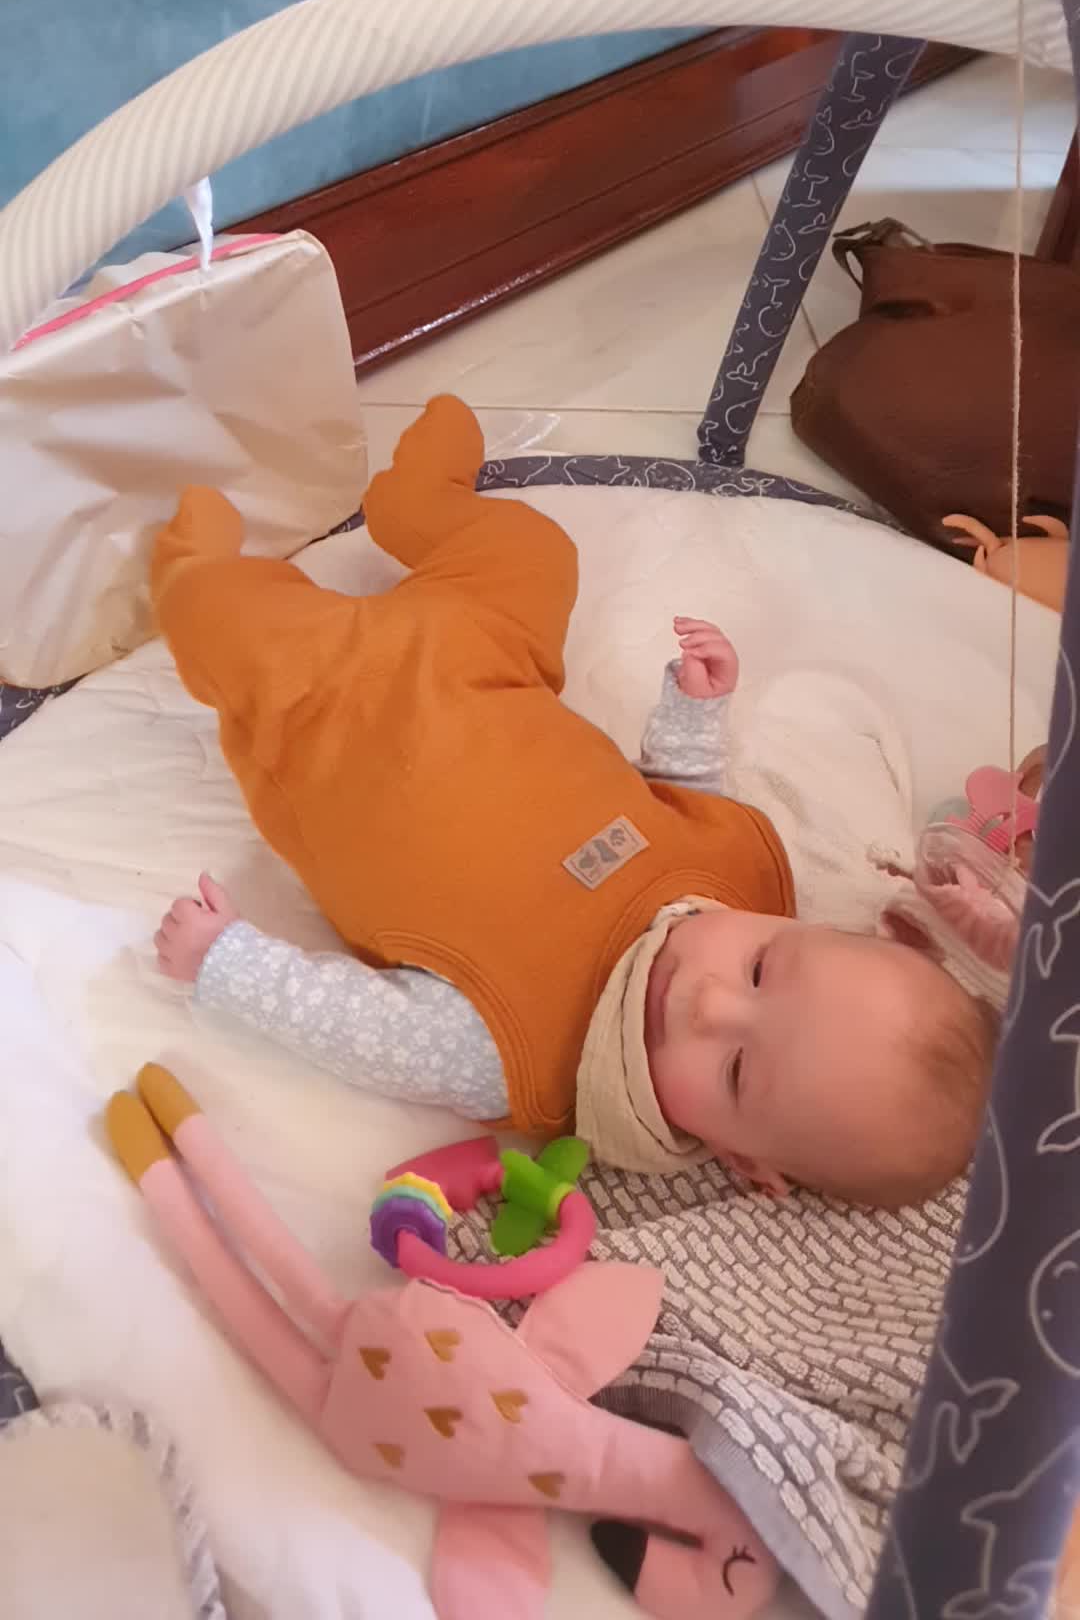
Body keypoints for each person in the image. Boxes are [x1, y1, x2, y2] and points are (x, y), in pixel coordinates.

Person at [150, 396, 996, 1209]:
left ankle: (193, 569)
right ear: (809, 930)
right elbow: (679, 808)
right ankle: (421, 509)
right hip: (488, 664)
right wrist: (694, 713)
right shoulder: (738, 885)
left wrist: (228, 962)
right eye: (762, 970)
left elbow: (355, 1028)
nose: (708, 1002)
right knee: (534, 552)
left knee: (232, 628)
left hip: (338, 722)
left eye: (737, 1070)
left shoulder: (519, 1054)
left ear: (742, 1160)